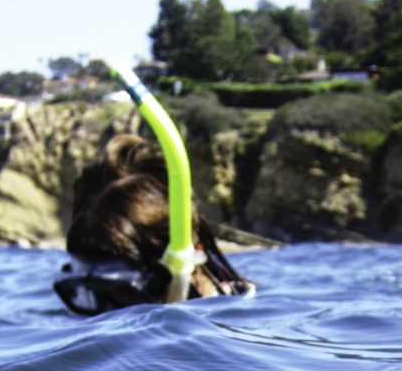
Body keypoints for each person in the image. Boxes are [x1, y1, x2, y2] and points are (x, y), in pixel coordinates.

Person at [55, 134, 254, 316]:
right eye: (85, 296)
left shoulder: (243, 312)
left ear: (181, 263)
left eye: (123, 294)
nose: (101, 318)